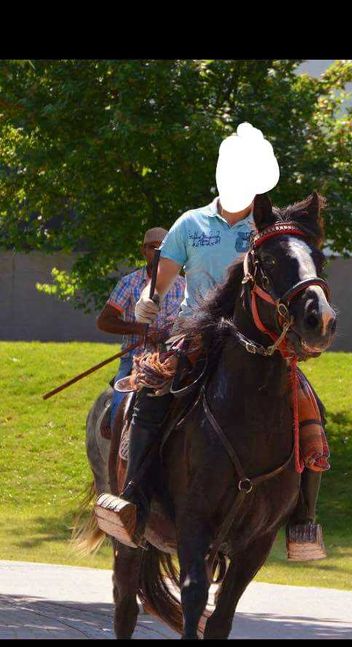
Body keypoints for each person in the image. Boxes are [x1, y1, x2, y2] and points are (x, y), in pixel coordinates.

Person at [96, 123, 327, 559]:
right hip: (195, 335)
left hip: (258, 341)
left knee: (312, 409)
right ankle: (133, 500)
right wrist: (148, 300)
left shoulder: (268, 226)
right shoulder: (191, 223)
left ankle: (303, 520)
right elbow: (162, 278)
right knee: (148, 396)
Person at [96, 227, 185, 432]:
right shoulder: (129, 283)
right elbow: (104, 321)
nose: (159, 252)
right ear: (143, 251)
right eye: (153, 247)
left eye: (165, 247)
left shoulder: (184, 286)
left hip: (173, 359)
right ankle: (118, 448)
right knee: (120, 408)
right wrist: (141, 330)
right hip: (134, 359)